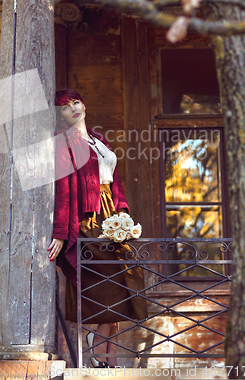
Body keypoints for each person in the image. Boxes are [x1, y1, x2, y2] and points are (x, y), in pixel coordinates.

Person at [48, 88, 147, 367]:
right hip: (89, 220)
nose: (73, 108)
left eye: (76, 102)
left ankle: (107, 358)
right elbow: (64, 188)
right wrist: (60, 232)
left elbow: (116, 181)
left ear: (84, 105)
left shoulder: (99, 139)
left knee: (125, 279)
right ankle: (100, 351)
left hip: (111, 216)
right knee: (105, 286)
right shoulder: (64, 143)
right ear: (61, 115)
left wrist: (123, 213)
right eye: (65, 107)